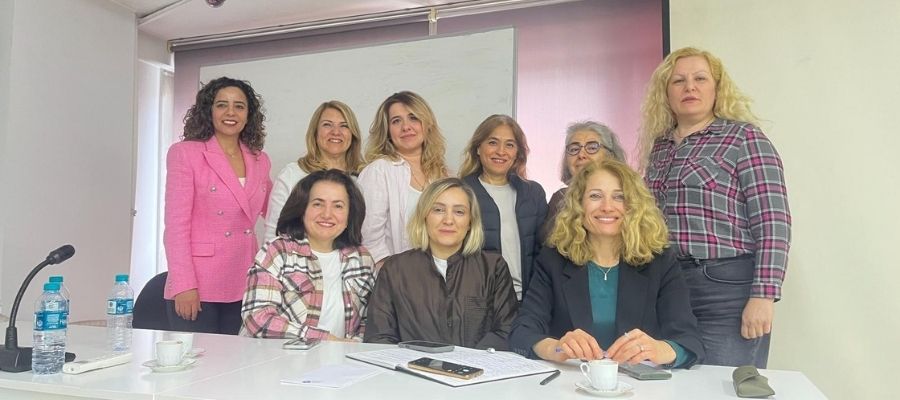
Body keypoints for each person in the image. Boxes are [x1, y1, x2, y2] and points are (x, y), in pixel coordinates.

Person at [638, 47, 791, 368]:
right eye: (678, 81)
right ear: (666, 93)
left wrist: (763, 295)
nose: (689, 87)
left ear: (717, 88)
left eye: (700, 79)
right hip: (669, 287)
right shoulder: (660, 147)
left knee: (722, 383)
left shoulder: (744, 139)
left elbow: (773, 222)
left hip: (726, 290)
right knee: (673, 383)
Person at [509, 159, 703, 368]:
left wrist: (659, 350)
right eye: (595, 196)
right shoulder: (553, 259)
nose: (607, 207)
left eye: (619, 197)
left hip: (640, 382)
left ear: (634, 206)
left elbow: (689, 341)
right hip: (572, 379)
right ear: (579, 205)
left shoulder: (661, 261)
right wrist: (557, 348)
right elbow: (522, 332)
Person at [164, 76, 273, 334]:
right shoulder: (185, 153)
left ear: (249, 115)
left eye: (239, 106)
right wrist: (184, 284)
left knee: (239, 358)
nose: (231, 113)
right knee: (198, 359)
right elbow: (176, 227)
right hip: (199, 285)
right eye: (222, 105)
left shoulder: (260, 159)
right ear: (209, 110)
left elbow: (275, 211)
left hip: (245, 279)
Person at [364, 178, 518, 349]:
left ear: (470, 222)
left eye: (459, 212)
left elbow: (506, 330)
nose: (448, 220)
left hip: (476, 366)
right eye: (438, 210)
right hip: (410, 366)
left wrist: (466, 362)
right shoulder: (395, 269)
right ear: (424, 216)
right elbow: (379, 338)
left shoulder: (493, 268)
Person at [241, 169, 375, 340]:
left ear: (350, 214)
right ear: (302, 209)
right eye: (318, 204)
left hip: (342, 356)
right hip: (279, 355)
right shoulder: (277, 252)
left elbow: (370, 321)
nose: (327, 214)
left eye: (338, 206)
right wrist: (324, 339)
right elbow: (258, 318)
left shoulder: (362, 258)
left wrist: (352, 346)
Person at [459, 115, 547, 301]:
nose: (501, 151)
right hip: (479, 301)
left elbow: (544, 251)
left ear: (517, 153)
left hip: (528, 302)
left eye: (510, 145)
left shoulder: (533, 193)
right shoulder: (461, 191)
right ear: (478, 148)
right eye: (493, 142)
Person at [358, 91, 449, 265]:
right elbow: (369, 239)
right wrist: (394, 275)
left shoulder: (443, 174)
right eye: (396, 121)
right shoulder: (379, 171)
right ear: (387, 131)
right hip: (395, 275)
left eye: (413, 118)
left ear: (427, 124)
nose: (406, 127)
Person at [263, 101, 364, 243]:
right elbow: (273, 233)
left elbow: (370, 234)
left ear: (353, 134)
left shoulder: (365, 177)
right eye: (327, 125)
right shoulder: (292, 174)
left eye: (344, 125)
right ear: (315, 132)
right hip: (297, 257)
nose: (336, 132)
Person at [540, 121, 626, 242]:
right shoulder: (559, 199)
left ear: (610, 156)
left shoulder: (630, 195)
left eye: (592, 148)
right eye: (574, 149)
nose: (581, 155)